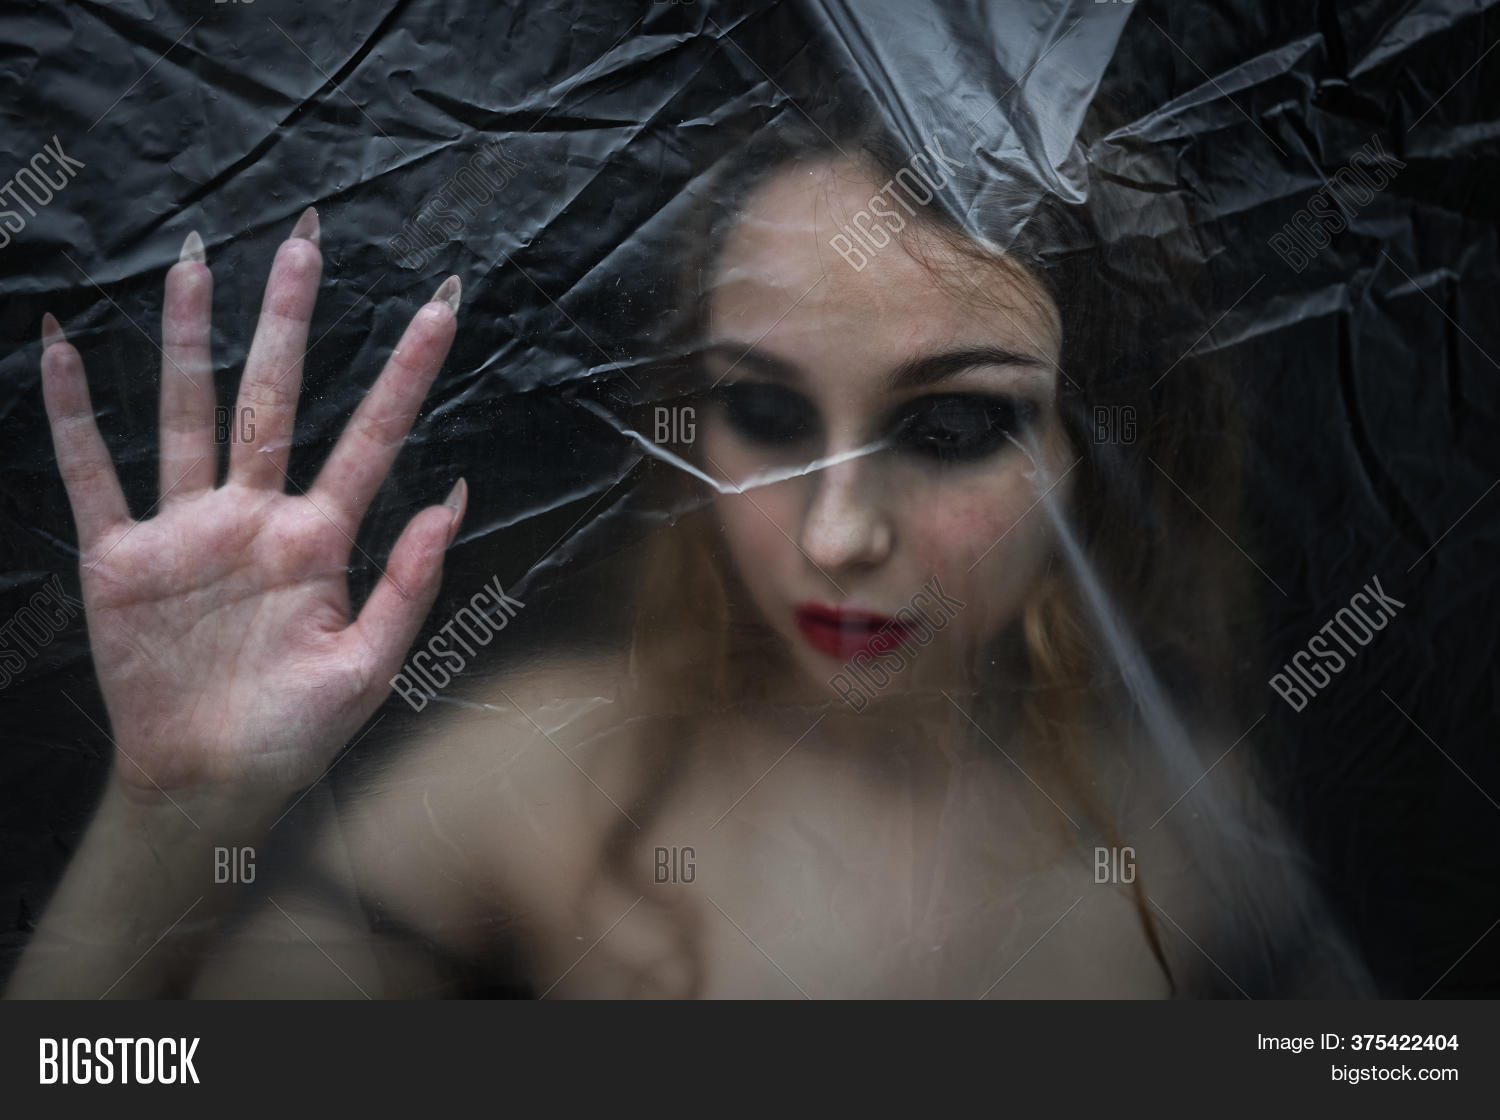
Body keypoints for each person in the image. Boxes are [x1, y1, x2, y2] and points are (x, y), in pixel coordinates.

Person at [8, 99, 1372, 998]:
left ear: (1109, 449)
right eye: (765, 414)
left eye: (952, 427)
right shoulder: (546, 779)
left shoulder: (1195, 829)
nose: (838, 534)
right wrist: (174, 816)